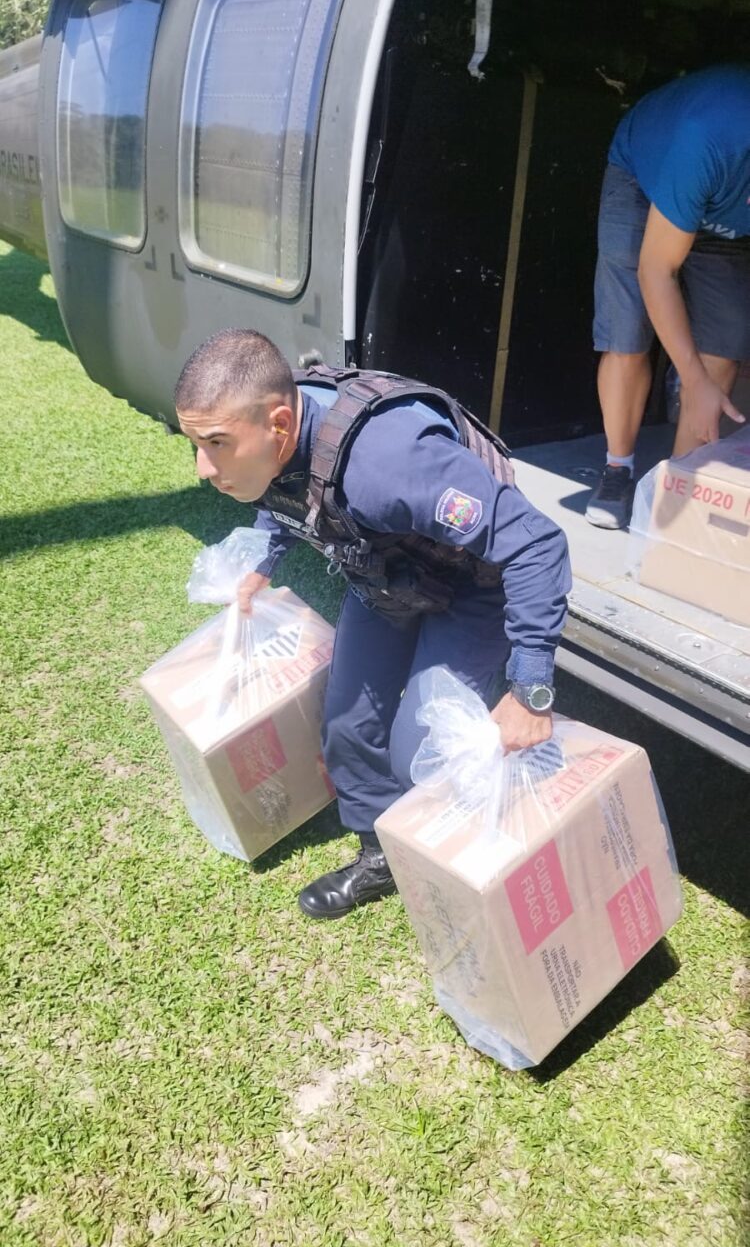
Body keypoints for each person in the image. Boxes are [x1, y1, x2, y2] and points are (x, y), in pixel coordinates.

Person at [175, 329, 571, 919]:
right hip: (388, 573)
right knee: (346, 726)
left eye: (216, 445)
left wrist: (531, 690)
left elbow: (536, 544)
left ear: (279, 425)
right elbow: (289, 490)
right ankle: (381, 855)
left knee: (421, 747)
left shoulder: (389, 465)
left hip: (475, 586)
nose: (204, 468)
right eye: (195, 444)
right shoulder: (265, 431)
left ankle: (466, 851)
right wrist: (263, 555)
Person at [586, 64, 750, 531]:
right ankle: (618, 470)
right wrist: (692, 378)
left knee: (727, 338)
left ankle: (676, 487)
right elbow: (656, 270)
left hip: (721, 211)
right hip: (646, 177)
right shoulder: (708, 142)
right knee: (627, 332)